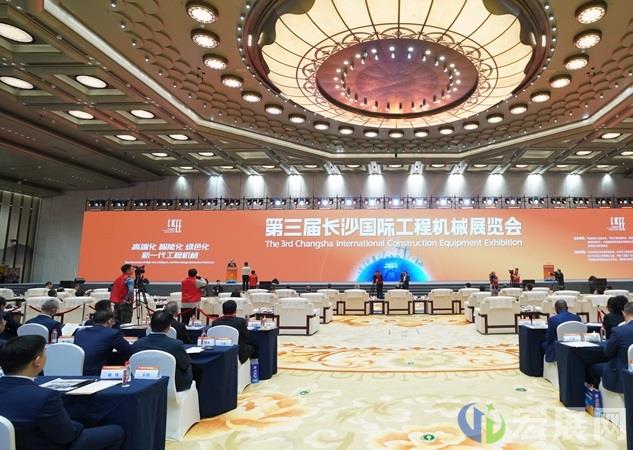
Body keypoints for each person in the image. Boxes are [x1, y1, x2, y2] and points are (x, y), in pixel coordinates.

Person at [0, 335, 125, 450]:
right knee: (115, 431)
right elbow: (66, 436)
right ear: (37, 361)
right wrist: (79, 424)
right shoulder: (44, 396)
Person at [132, 311, 192, 391]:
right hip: (172, 387)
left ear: (150, 325)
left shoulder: (137, 345)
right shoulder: (176, 345)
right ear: (168, 327)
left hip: (142, 387)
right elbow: (185, 365)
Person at [589, 302, 633, 392]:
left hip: (620, 374)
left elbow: (607, 353)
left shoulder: (619, 331)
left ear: (624, 313)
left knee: (592, 368)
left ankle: (596, 395)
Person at [73, 309, 132, 376]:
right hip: (96, 374)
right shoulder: (112, 333)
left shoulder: (80, 333)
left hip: (76, 372)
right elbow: (128, 350)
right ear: (109, 321)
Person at [211, 300, 254, 364]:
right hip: (238, 353)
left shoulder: (215, 323)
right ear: (235, 310)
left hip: (218, 353)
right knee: (254, 347)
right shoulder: (241, 321)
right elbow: (246, 337)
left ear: (223, 311)